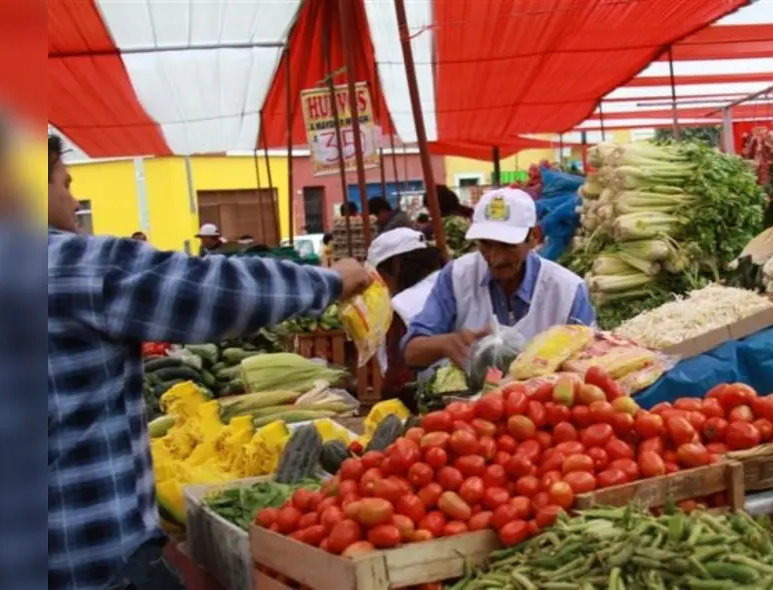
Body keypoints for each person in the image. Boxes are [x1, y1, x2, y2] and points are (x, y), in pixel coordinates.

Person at [46, 134, 371, 590]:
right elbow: (208, 289)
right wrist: (330, 282)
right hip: (93, 562)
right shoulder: (63, 263)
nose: (73, 197)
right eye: (65, 183)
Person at [402, 188, 596, 369]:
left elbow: (588, 364)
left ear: (534, 237)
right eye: (485, 244)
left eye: (507, 245)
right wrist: (445, 343)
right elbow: (411, 352)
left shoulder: (567, 291)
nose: (495, 259)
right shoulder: (457, 276)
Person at [366, 228, 444, 408]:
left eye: (381, 275)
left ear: (396, 266)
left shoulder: (401, 306)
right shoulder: (449, 283)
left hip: (427, 408)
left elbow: (398, 381)